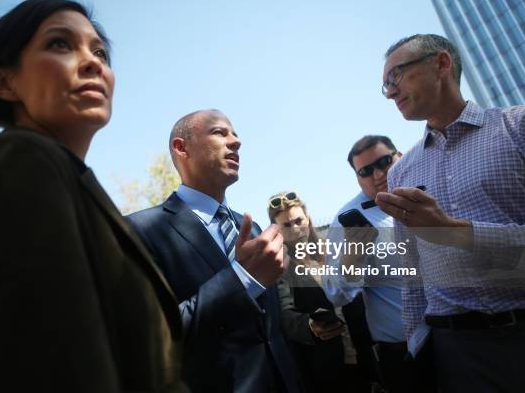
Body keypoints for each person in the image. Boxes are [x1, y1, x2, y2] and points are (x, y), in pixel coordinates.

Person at [0, 0, 187, 393]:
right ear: (4, 82)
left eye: (100, 51)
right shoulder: (8, 163)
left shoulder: (74, 189)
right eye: (60, 44)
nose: (94, 62)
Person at [376, 33, 525, 392]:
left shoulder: (523, 127)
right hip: (455, 355)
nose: (389, 92)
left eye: (395, 76)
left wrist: (454, 230)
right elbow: (412, 270)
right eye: (384, 85)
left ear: (441, 64)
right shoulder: (402, 173)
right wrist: (419, 342)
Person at [126, 110, 301, 393]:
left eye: (235, 134)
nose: (236, 141)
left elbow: (271, 328)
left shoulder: (253, 229)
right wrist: (241, 279)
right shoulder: (139, 231)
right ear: (181, 147)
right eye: (220, 132)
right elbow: (151, 337)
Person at [324, 135, 435, 393]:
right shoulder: (345, 220)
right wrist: (354, 254)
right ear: (357, 177)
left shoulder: (435, 189)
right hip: (404, 356)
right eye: (365, 171)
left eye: (384, 161)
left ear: (400, 155)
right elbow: (335, 293)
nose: (378, 173)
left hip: (465, 338)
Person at [267, 191, 346, 393]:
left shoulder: (332, 251)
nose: (295, 229)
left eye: (298, 220)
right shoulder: (280, 267)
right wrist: (310, 325)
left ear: (307, 218)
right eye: (286, 225)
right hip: (325, 364)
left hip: (363, 351)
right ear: (277, 230)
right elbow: (283, 315)